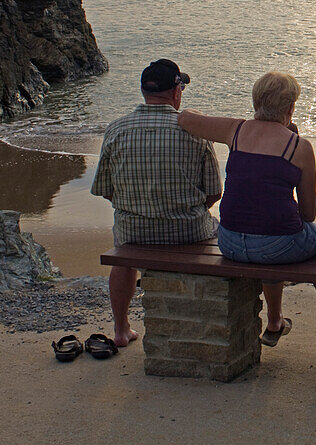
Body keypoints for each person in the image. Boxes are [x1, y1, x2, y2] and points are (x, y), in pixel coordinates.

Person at [177, 71, 316, 349]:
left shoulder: (236, 130)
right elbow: (309, 214)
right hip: (276, 245)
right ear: (291, 107)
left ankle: (275, 321)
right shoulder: (299, 147)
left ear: (256, 102)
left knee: (270, 233)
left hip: (230, 241)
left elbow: (185, 118)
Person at [91, 59, 222, 347]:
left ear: (143, 91)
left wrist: (139, 206)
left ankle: (121, 329)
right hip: (188, 231)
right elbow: (214, 194)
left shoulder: (117, 129)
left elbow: (104, 190)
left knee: (123, 252)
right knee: (218, 228)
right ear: (176, 92)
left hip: (133, 232)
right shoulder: (195, 133)